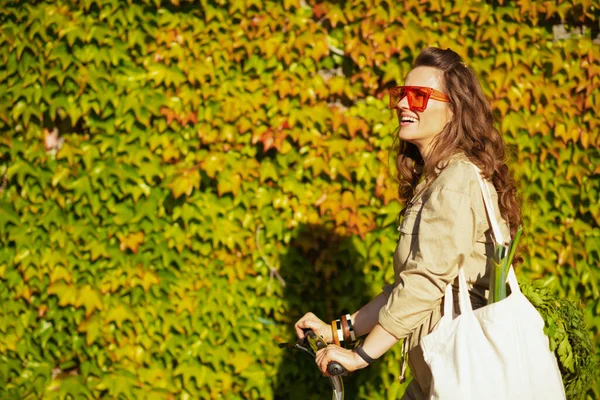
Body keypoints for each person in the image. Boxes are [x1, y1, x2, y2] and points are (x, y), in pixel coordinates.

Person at [293, 47, 522, 399]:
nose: (402, 104)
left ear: (453, 109)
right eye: (401, 94)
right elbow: (403, 287)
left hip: (466, 376)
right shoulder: (435, 181)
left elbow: (424, 284)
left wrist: (359, 357)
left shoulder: (458, 180)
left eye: (418, 96)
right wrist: (337, 331)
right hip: (436, 374)